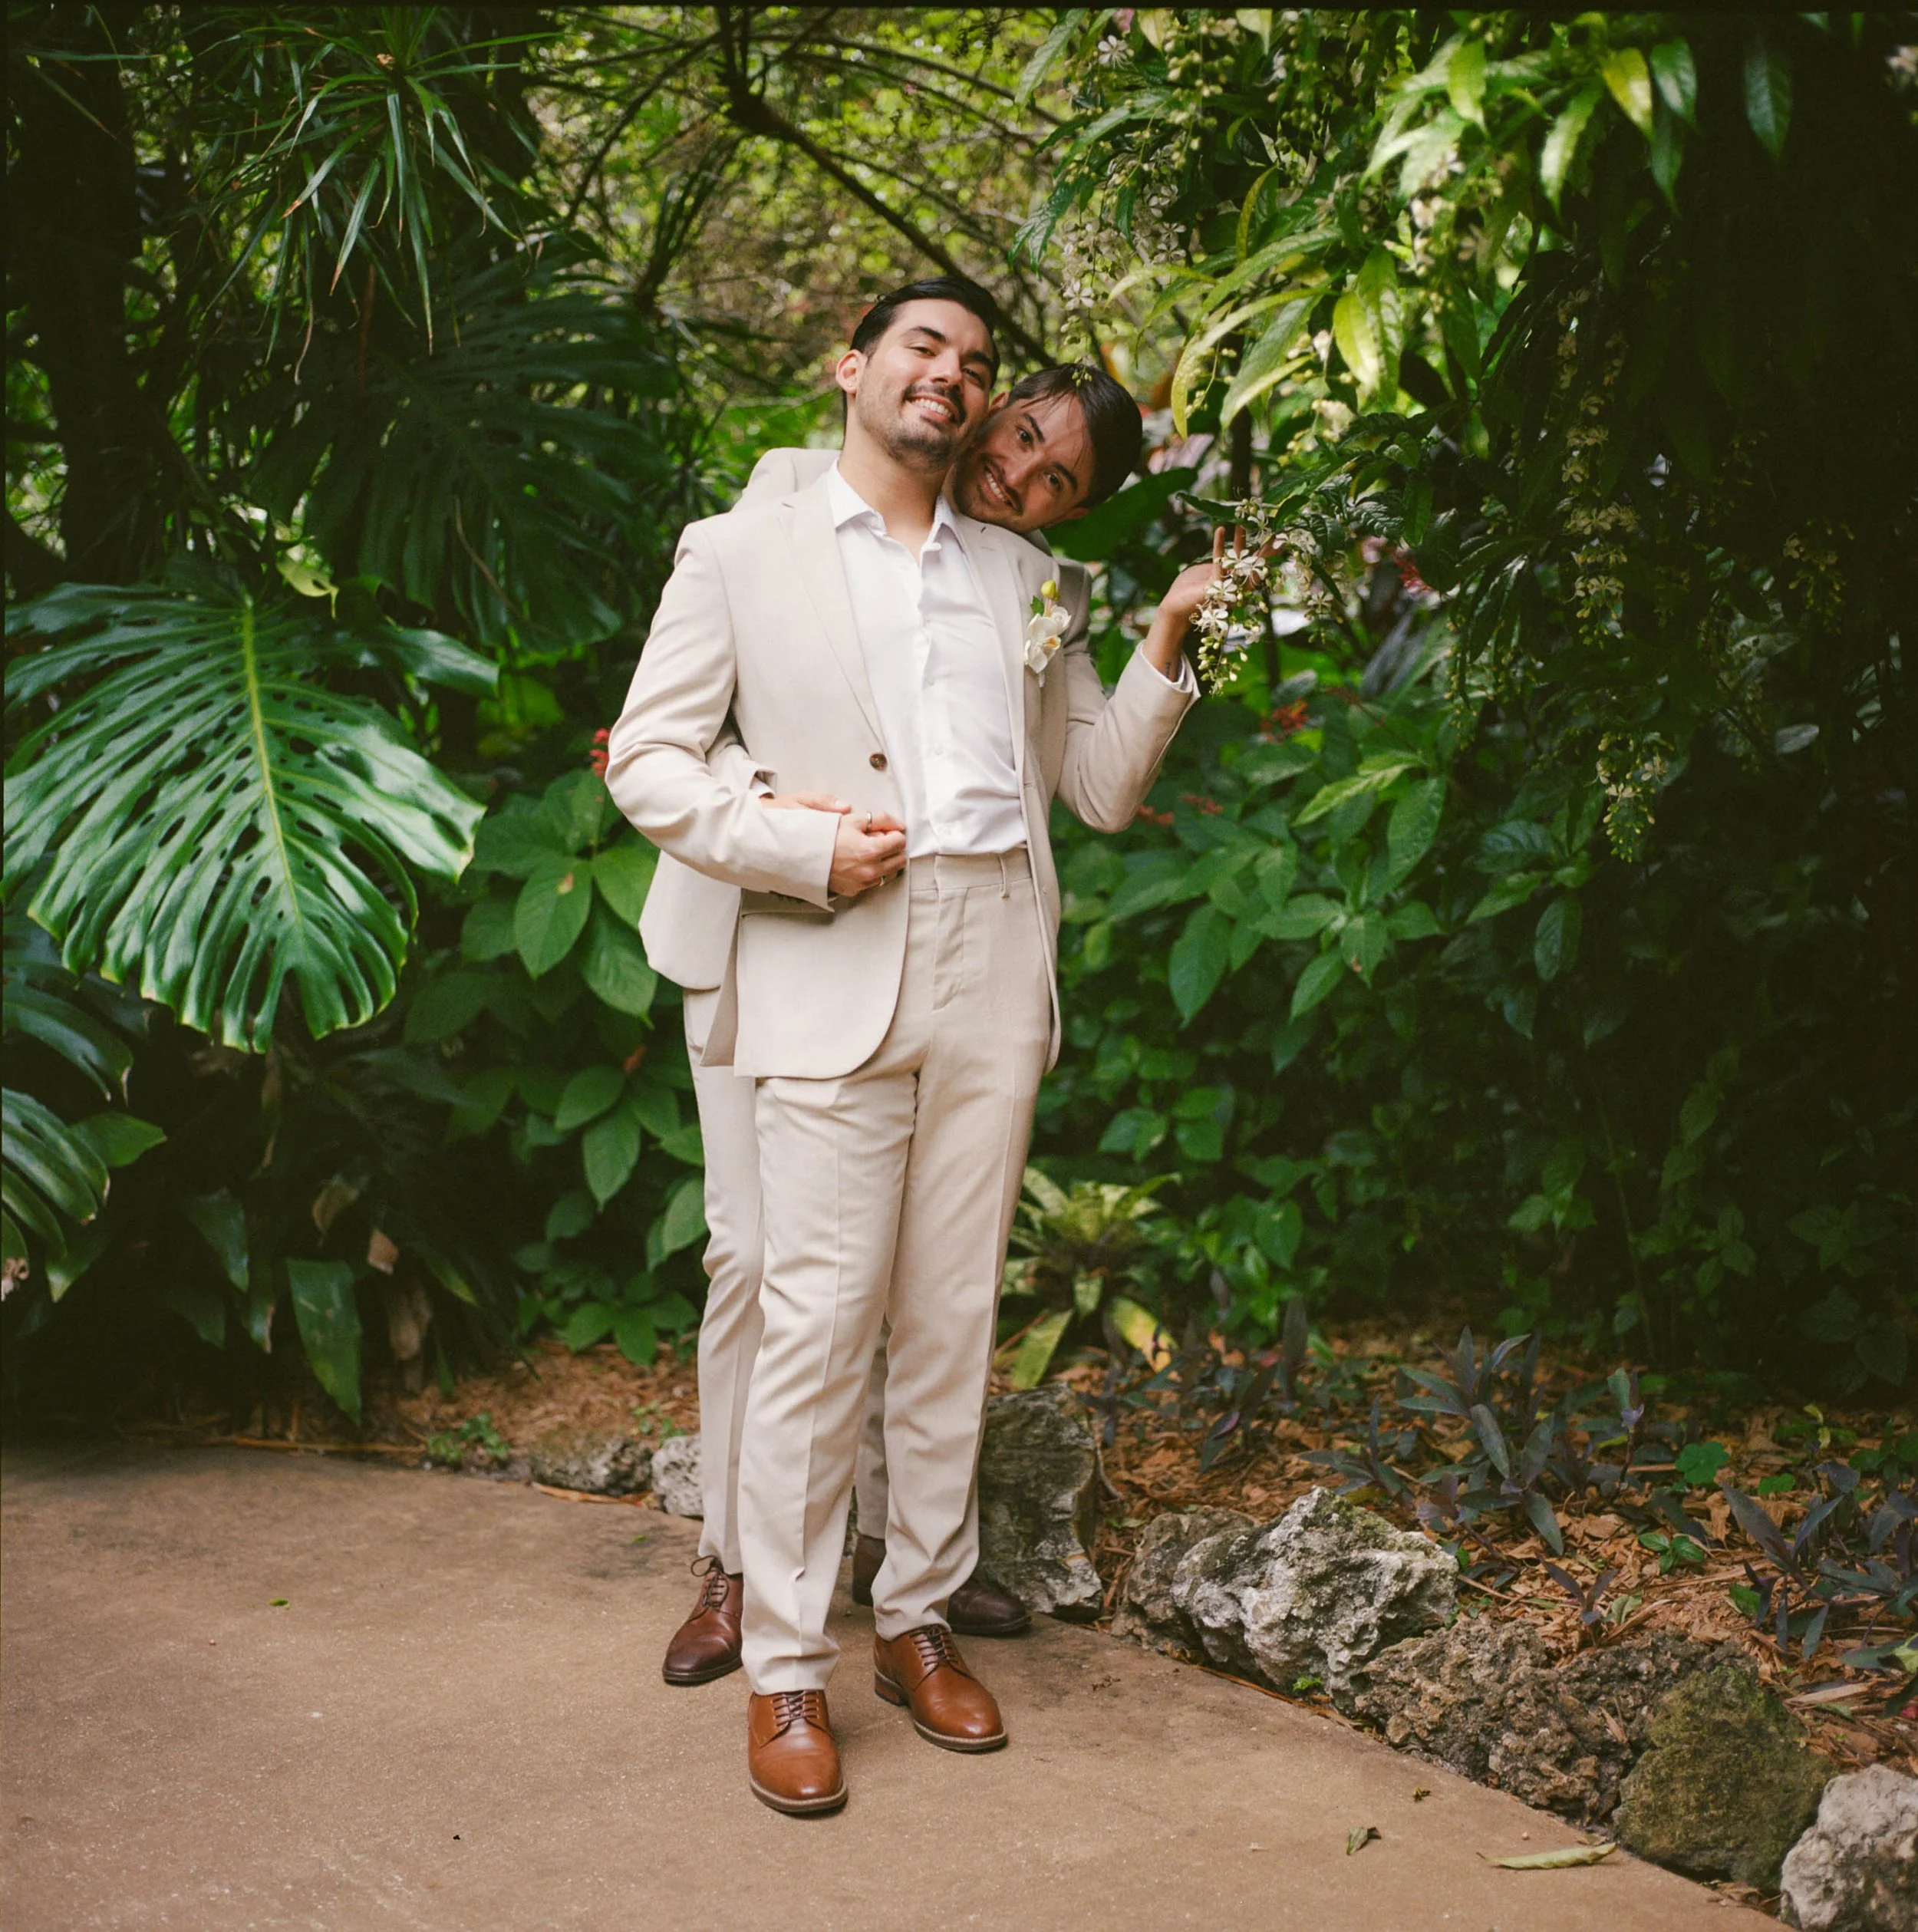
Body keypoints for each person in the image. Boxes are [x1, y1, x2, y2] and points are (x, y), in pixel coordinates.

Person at [605, 275, 1201, 1815]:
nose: (952, 376)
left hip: (997, 952)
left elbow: (1102, 784)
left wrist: (1174, 631)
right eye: (924, 348)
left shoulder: (1027, 575)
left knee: (949, 1312)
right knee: (809, 1314)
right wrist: (796, 849)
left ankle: (914, 1615)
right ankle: (786, 1661)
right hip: (834, 945)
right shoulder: (743, 547)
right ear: (855, 366)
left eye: (975, 359)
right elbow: (655, 759)